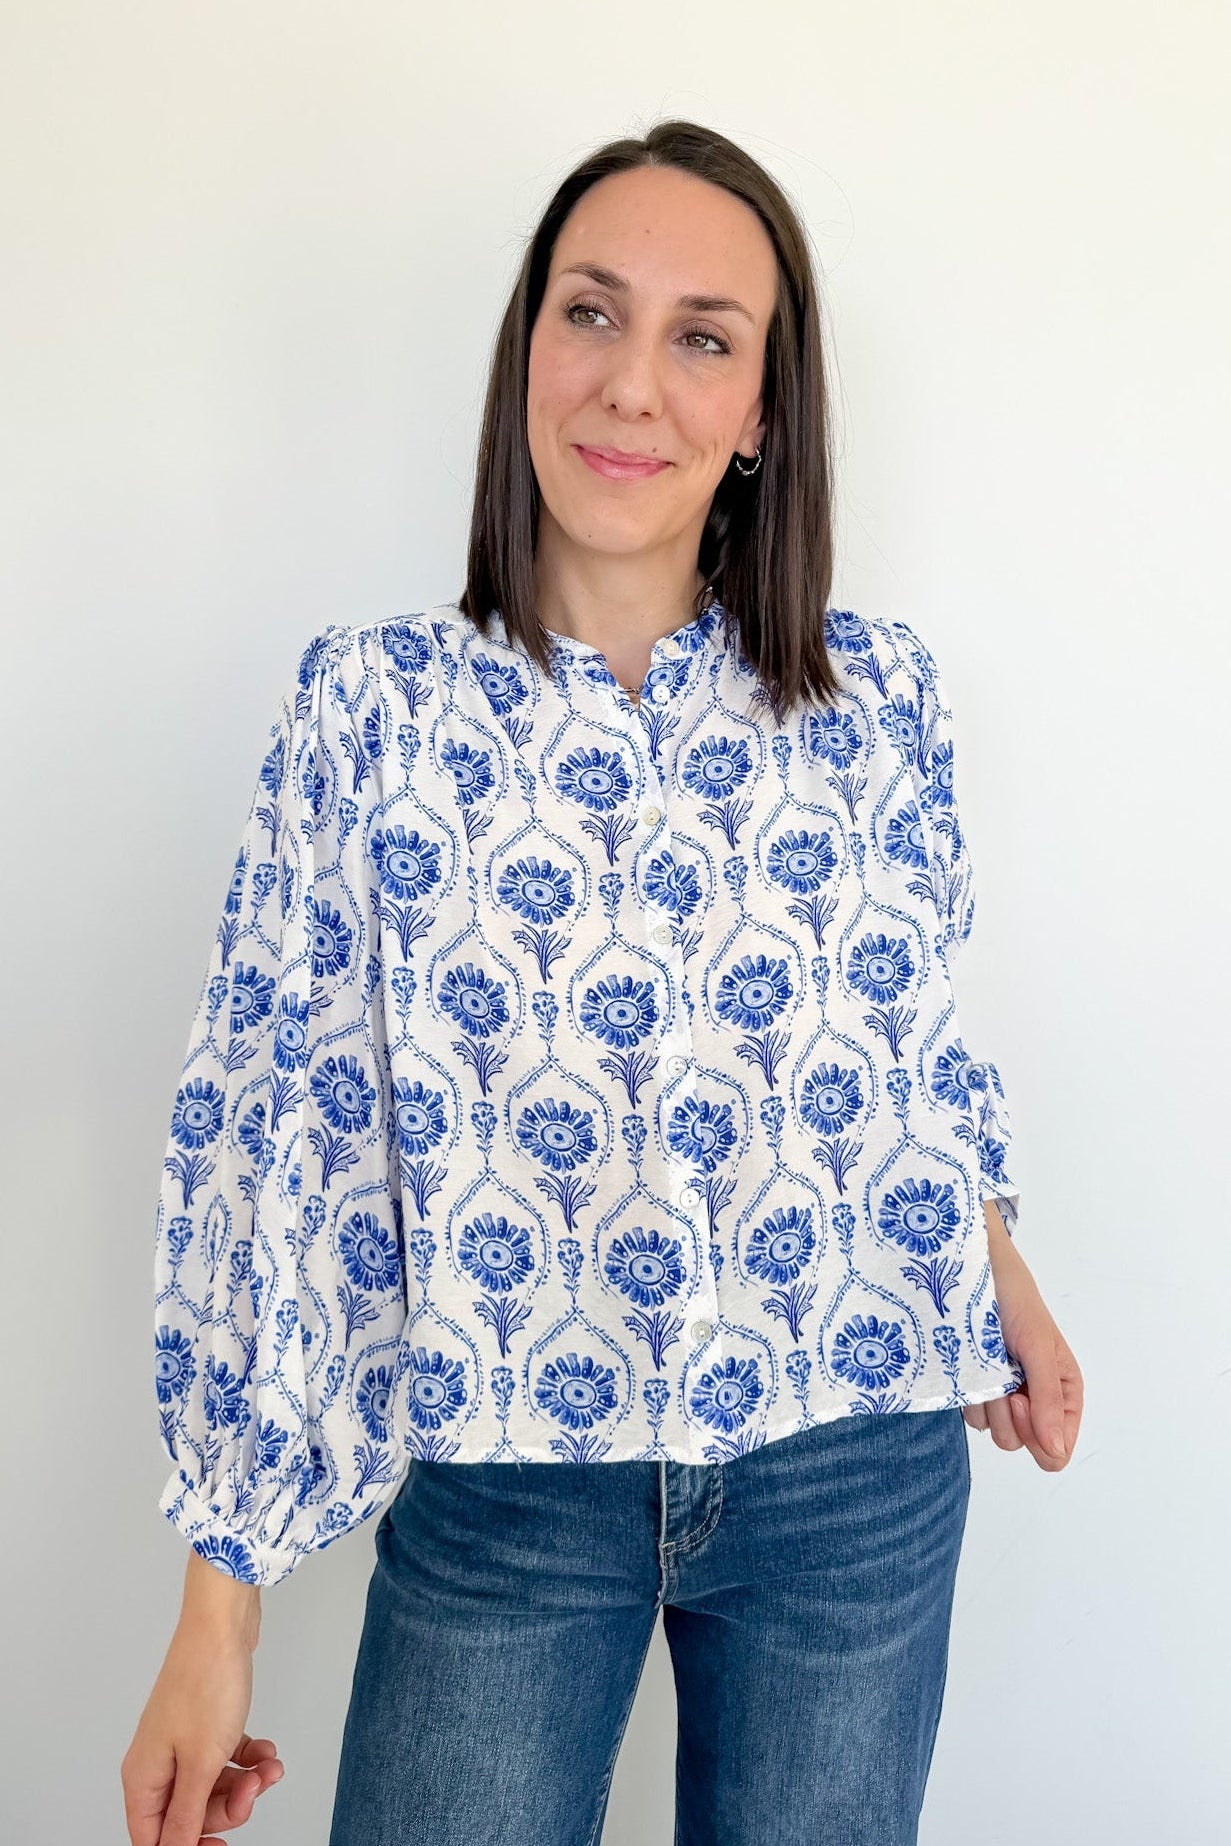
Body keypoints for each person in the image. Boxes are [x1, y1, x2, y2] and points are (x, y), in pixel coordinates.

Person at [122, 119, 1082, 1846]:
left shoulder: (883, 703)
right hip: (508, 1487)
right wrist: (219, 1603)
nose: (635, 385)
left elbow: (909, 1035)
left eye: (704, 337)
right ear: (527, 348)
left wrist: (995, 1257)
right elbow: (282, 1151)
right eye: (593, 313)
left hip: (856, 1454)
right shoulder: (377, 711)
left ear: (763, 411)